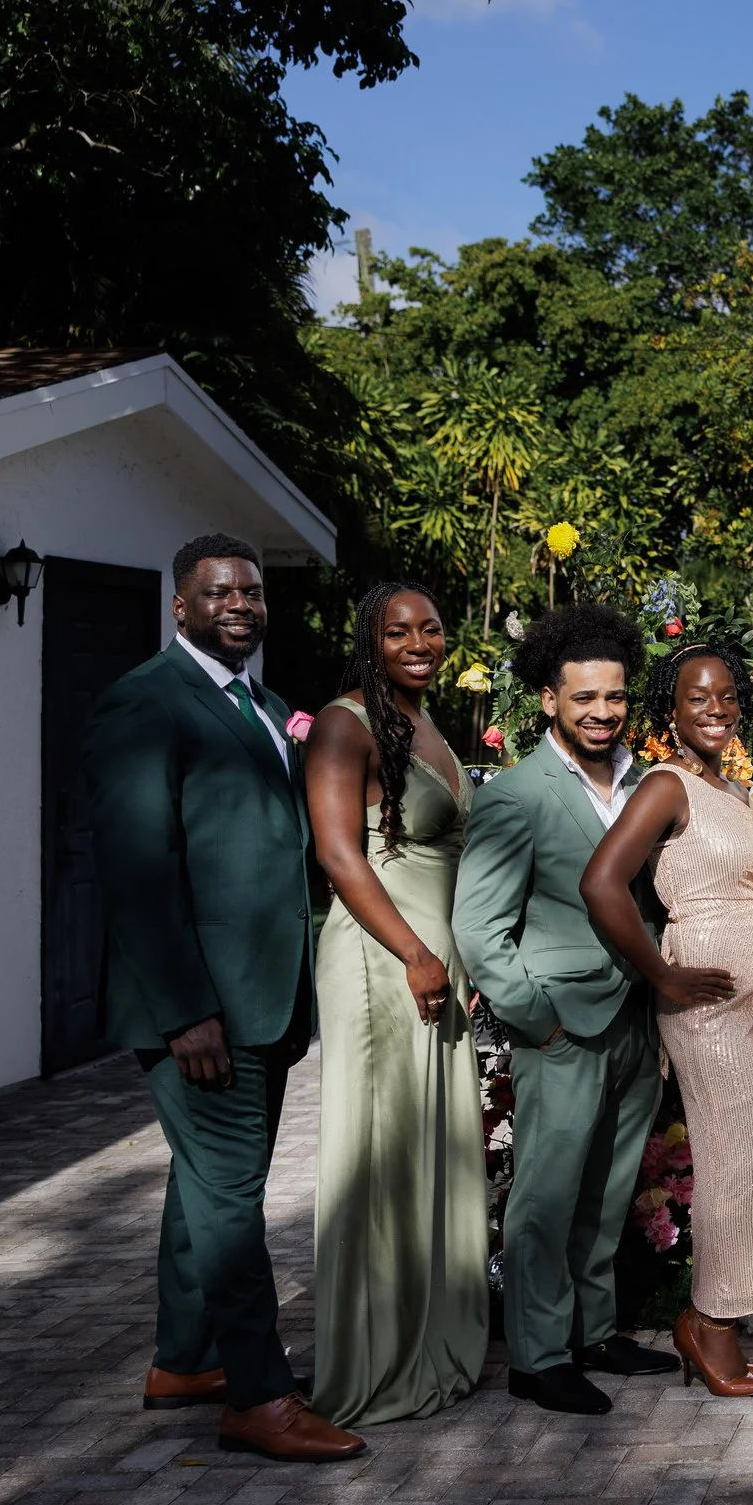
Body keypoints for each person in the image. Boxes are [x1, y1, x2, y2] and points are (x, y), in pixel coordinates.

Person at [82, 533, 364, 1461]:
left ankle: (182, 1358)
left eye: (250, 589)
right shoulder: (144, 703)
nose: (239, 602)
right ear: (181, 606)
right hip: (201, 1009)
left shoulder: (268, 705)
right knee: (232, 1201)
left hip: (266, 999)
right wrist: (183, 1009)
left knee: (204, 1186)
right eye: (217, 592)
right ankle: (257, 1395)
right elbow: (136, 870)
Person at [453, 605, 677, 1416]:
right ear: (549, 699)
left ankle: (594, 1331)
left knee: (610, 1189)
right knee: (546, 1198)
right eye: (583, 698)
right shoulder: (516, 795)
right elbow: (479, 924)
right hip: (561, 1025)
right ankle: (539, 1357)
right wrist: (533, 1015)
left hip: (635, 1018)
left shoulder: (646, 784)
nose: (602, 712)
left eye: (614, 697)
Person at [580, 639, 753, 1398]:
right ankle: (706, 1325)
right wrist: (661, 972)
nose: (715, 709)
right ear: (669, 713)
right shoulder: (666, 786)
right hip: (703, 1005)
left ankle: (720, 1326)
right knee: (734, 1165)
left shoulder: (736, 792)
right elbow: (601, 881)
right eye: (697, 697)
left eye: (726, 696)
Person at [302, 582, 488, 1427]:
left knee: (430, 1150)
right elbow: (340, 855)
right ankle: (374, 1359)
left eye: (432, 629)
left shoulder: (427, 723)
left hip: (434, 962)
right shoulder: (345, 723)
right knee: (378, 1156)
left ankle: (426, 1334)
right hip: (383, 961)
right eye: (398, 631)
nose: (419, 642)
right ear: (369, 641)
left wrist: (458, 952)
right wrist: (415, 951)